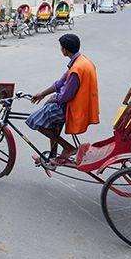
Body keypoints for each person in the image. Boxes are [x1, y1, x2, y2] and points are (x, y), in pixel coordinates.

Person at [26, 33, 99, 168]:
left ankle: (68, 148)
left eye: (61, 47)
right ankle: (52, 157)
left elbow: (66, 96)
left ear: (64, 50)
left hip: (71, 108)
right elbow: (60, 83)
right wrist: (42, 94)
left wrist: (53, 99)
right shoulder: (81, 60)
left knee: (33, 120)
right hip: (78, 105)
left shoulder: (76, 69)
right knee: (50, 119)